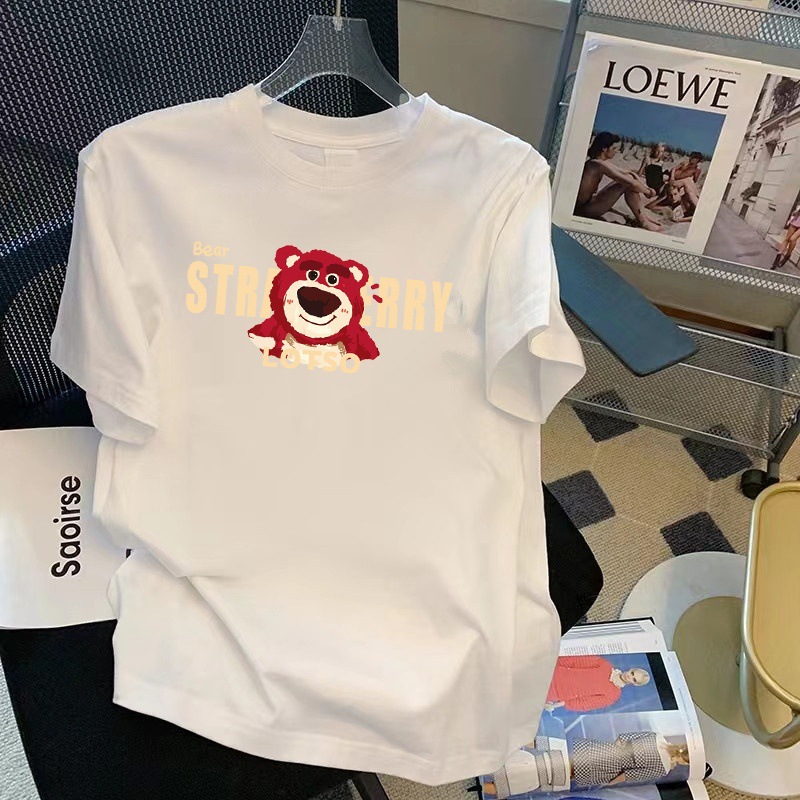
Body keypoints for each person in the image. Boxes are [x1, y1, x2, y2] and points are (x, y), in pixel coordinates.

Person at [574, 131, 663, 232]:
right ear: (604, 149)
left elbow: (628, 172)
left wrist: (644, 186)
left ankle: (644, 217)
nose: (616, 151)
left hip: (589, 203)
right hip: (584, 210)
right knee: (626, 184)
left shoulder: (597, 162)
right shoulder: (598, 165)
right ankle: (643, 221)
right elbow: (631, 183)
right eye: (614, 148)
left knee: (628, 178)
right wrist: (649, 192)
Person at [571, 732, 690, 787]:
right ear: (684, 762)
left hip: (605, 750)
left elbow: (623, 738)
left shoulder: (657, 737)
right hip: (610, 770)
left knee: (571, 758)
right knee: (571, 774)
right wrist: (609, 782)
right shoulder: (663, 768)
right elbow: (628, 775)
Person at [544, 655, 651, 712]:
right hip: (553, 671)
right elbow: (575, 661)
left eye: (634, 679)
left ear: (635, 684)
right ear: (631, 669)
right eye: (632, 673)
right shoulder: (604, 664)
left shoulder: (613, 696)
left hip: (555, 693)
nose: (630, 676)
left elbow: (584, 704)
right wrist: (551, 662)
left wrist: (556, 705)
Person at [772, 202, 800, 269]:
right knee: (787, 239)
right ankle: (776, 260)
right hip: (797, 217)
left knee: (792, 239)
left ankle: (787, 255)